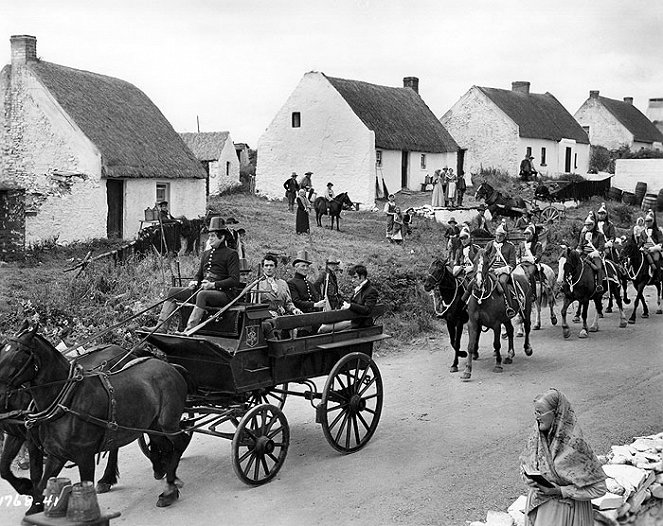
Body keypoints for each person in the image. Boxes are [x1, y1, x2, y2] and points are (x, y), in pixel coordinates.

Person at [519, 388, 607, 526]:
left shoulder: (576, 448)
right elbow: (526, 465)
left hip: (566, 515)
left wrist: (560, 491)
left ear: (557, 414)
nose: (537, 417)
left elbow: (599, 489)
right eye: (535, 412)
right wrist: (528, 479)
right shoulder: (536, 439)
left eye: (540, 412)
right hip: (540, 511)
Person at [142, 216, 240, 333]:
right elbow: (199, 274)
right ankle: (161, 327)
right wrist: (194, 281)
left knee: (202, 295)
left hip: (225, 294)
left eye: (213, 236)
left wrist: (213, 285)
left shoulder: (231, 254)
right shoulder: (206, 254)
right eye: (209, 236)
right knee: (173, 292)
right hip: (203, 290)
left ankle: (189, 330)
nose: (210, 239)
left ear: (222, 237)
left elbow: (234, 280)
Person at [319, 264, 378, 333]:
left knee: (323, 328)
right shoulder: (359, 288)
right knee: (324, 324)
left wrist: (350, 306)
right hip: (351, 318)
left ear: (362, 277)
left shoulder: (371, 291)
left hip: (359, 322)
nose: (353, 280)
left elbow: (367, 310)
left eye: (355, 277)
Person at [484, 223, 518, 317]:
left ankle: (509, 306)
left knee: (502, 281)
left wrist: (500, 270)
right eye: (497, 235)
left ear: (505, 236)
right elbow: (484, 257)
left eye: (501, 236)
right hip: (491, 270)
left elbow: (512, 264)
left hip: (503, 271)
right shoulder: (490, 244)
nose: (498, 237)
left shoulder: (510, 246)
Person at [575, 212, 606, 293]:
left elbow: (601, 246)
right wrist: (577, 251)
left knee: (598, 268)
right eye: (586, 225)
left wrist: (594, 253)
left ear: (593, 225)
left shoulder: (599, 235)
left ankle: (599, 285)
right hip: (584, 254)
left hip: (595, 254)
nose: (588, 226)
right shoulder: (583, 234)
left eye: (590, 225)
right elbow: (580, 245)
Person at [637, 209, 663, 278]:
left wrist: (654, 248)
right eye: (646, 221)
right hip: (645, 249)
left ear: (653, 221)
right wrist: (640, 247)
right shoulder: (643, 232)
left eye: (649, 221)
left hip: (655, 249)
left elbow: (661, 242)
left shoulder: (658, 231)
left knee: (656, 259)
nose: (648, 222)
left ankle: (658, 276)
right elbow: (640, 242)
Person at [518, 224, 544, 290]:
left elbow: (538, 256)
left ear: (532, 235)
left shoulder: (537, 244)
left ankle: (533, 292)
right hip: (521, 264)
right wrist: (518, 259)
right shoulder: (521, 244)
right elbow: (518, 255)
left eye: (528, 234)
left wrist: (532, 259)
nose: (526, 236)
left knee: (530, 274)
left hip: (531, 264)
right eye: (525, 234)